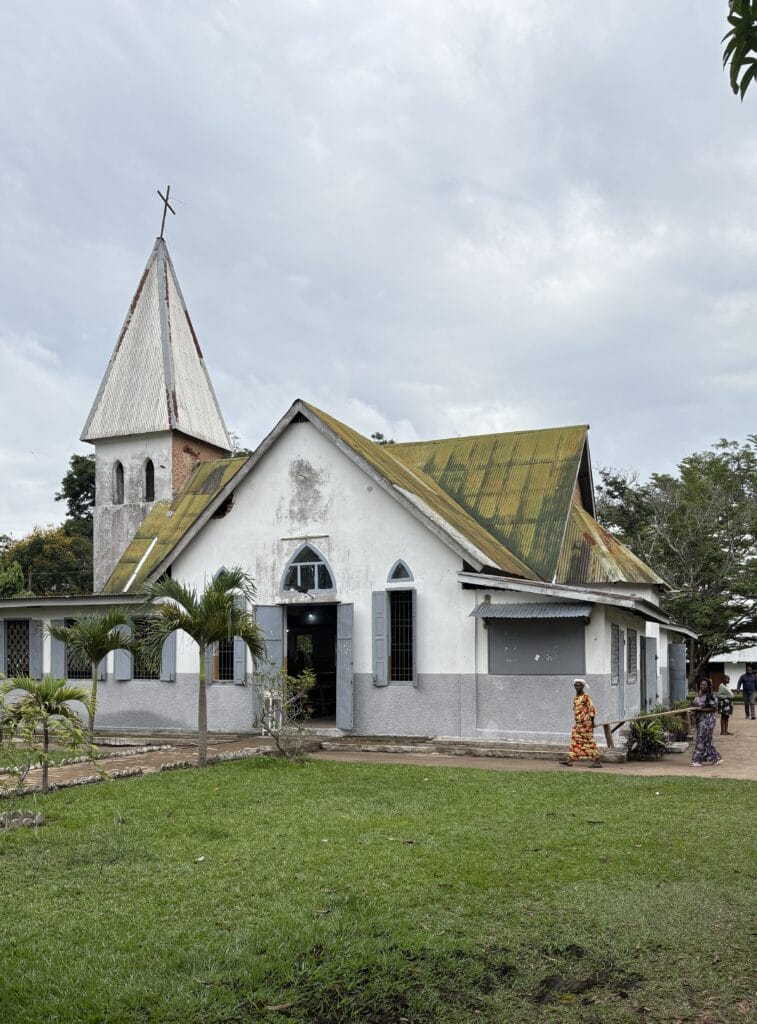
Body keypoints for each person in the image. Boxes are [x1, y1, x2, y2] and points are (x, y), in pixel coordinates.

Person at [562, 679, 602, 767]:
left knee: (589, 741)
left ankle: (598, 761)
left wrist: (592, 722)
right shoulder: (576, 697)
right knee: (575, 740)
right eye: (576, 685)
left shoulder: (586, 697)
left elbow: (591, 709)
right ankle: (570, 760)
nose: (577, 687)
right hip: (578, 724)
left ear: (583, 686)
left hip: (586, 724)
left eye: (579, 685)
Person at [690, 679, 724, 767]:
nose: (703, 686)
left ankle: (696, 760)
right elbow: (694, 705)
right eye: (702, 684)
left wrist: (700, 709)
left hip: (708, 720)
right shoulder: (697, 694)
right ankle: (716, 758)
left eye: (705, 685)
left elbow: (714, 709)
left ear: (708, 686)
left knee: (700, 739)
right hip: (699, 720)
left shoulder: (710, 696)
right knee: (707, 740)